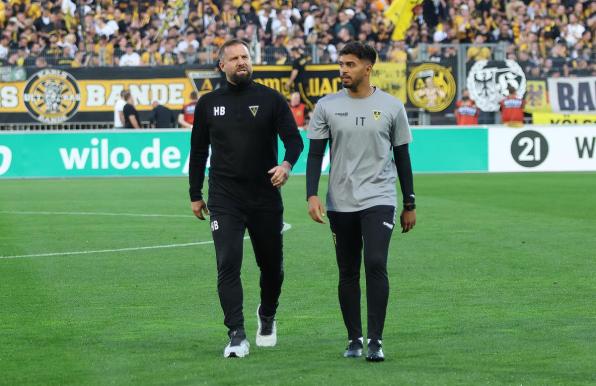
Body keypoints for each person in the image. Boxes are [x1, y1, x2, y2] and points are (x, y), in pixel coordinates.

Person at [189, 39, 303, 358]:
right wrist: (195, 194)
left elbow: (294, 141)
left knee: (272, 267)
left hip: (265, 198)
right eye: (235, 58)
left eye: (246, 57)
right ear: (221, 65)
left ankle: (267, 314)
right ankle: (236, 334)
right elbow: (198, 152)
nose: (242, 62)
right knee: (227, 263)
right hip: (224, 198)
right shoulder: (208, 104)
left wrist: (285, 164)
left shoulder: (271, 99)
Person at [306, 42, 416, 362]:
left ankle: (376, 340)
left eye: (350, 64)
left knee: (376, 263)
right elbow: (315, 154)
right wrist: (312, 194)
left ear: (368, 68)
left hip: (379, 197)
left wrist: (409, 203)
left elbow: (403, 157)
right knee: (347, 271)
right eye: (341, 64)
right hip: (340, 201)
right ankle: (354, 338)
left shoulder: (392, 107)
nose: (343, 70)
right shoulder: (326, 106)